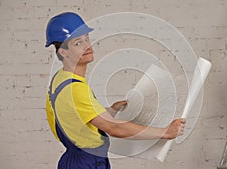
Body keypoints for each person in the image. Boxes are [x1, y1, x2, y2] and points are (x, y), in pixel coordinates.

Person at [45, 12, 186, 169]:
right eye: (78, 43)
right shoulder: (75, 89)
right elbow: (114, 128)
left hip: (74, 160)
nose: (87, 46)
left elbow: (77, 118)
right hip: (87, 163)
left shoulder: (60, 79)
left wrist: (111, 110)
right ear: (63, 52)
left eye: (87, 38)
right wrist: (165, 132)